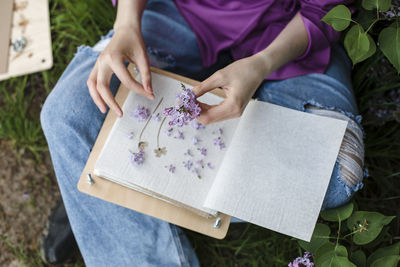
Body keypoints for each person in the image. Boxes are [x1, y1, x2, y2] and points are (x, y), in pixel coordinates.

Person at [40, 0, 365, 265]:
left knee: (336, 173)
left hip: (289, 38)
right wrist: (126, 25)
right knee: (69, 114)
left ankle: (102, 192)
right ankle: (103, 191)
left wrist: (263, 62)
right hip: (183, 14)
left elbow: (325, 9)